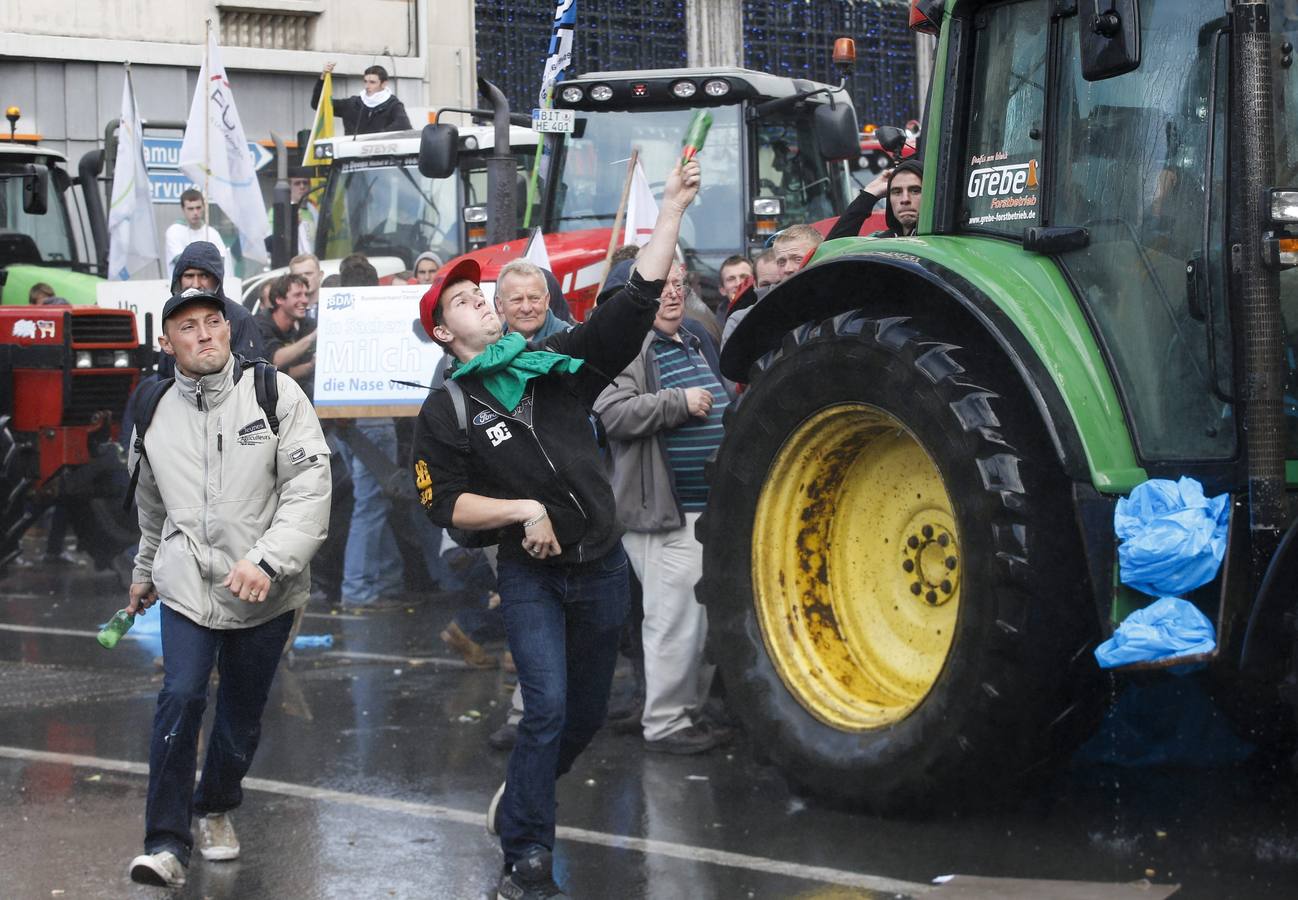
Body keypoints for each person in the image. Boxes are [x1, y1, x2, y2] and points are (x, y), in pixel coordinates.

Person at [413, 158, 701, 900]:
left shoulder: (550, 366)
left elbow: (628, 309)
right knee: (542, 707)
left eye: (484, 296)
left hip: (601, 565)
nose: (484, 304)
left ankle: (521, 797)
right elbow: (444, 505)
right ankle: (526, 857)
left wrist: (669, 211)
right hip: (531, 575)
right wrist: (522, 512)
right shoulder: (448, 410)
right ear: (447, 334)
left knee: (579, 718)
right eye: (471, 301)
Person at [125, 287, 331, 887]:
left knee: (240, 715)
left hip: (266, 592)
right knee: (182, 696)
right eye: (188, 327)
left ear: (228, 329)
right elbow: (150, 504)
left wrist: (267, 562)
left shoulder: (275, 393)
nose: (205, 334)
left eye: (213, 321)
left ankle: (215, 805)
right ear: (169, 344)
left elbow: (309, 493)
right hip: (188, 585)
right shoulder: (152, 407)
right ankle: (165, 842)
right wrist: (143, 572)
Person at [594, 262, 734, 755]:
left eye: (679, 285)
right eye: (662, 287)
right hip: (661, 515)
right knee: (671, 622)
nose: (672, 295)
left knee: (697, 622)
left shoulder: (692, 341)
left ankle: (684, 714)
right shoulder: (627, 348)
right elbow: (611, 413)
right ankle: (666, 722)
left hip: (703, 513)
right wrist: (677, 403)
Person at [332, 253, 405, 610]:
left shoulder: (335, 315)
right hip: (375, 416)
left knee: (373, 502)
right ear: (375, 284)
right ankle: (358, 588)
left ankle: (388, 576)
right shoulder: (380, 315)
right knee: (371, 505)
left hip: (344, 420)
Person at [161, 242, 265, 379]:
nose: (196, 284)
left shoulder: (241, 318)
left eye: (204, 276)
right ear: (179, 280)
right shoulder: (173, 316)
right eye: (189, 276)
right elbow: (165, 376)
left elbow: (251, 378)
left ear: (217, 280)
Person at [827, 158, 923, 240]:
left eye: (915, 191)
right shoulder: (879, 243)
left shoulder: (937, 243)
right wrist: (869, 194)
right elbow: (831, 253)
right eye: (897, 192)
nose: (905, 199)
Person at [254, 273, 317, 392]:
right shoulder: (259, 325)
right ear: (279, 299)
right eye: (297, 295)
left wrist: (312, 365)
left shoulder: (307, 324)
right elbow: (275, 360)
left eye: (306, 295)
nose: (304, 300)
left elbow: (289, 373)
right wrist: (312, 338)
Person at [312, 62, 412, 136]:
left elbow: (404, 125)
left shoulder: (393, 105)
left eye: (372, 82)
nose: (367, 86)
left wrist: (375, 137)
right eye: (365, 81)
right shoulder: (352, 104)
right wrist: (322, 79)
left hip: (381, 158)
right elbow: (318, 104)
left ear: (384, 84)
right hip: (351, 159)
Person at [164, 190, 232, 273]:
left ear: (204, 207)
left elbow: (220, 261)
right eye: (190, 209)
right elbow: (180, 262)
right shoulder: (174, 231)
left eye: (198, 208)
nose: (195, 212)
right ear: (183, 209)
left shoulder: (211, 233)